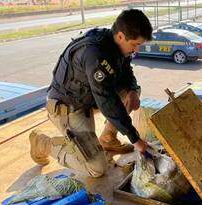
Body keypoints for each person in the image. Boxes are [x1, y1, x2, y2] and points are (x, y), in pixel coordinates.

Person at [29, 9, 153, 178]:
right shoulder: (95, 54)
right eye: (135, 44)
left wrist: (132, 89)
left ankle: (108, 138)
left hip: (88, 99)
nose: (136, 50)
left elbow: (126, 71)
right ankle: (43, 144)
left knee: (132, 94)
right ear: (121, 36)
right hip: (68, 108)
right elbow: (107, 100)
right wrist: (135, 139)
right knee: (97, 168)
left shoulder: (115, 45)